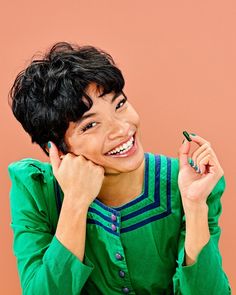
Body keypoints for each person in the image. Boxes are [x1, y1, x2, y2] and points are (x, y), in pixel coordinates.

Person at [8, 41, 231, 295]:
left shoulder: (188, 182)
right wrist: (75, 203)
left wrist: (194, 207)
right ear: (55, 149)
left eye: (120, 104)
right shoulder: (36, 189)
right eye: (90, 125)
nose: (122, 129)